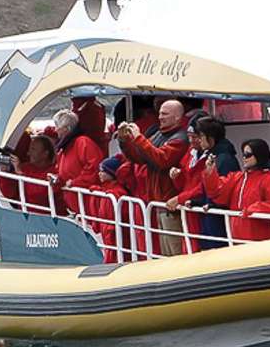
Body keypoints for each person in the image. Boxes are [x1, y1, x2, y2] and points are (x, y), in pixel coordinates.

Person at [116, 98, 191, 255]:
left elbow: (162, 159)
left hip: (170, 203)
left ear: (177, 117)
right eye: (159, 113)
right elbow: (139, 158)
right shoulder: (160, 134)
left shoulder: (180, 138)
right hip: (159, 202)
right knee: (165, 250)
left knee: (174, 249)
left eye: (164, 114)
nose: (160, 117)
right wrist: (125, 141)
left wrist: (138, 137)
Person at [197, 138, 270, 242]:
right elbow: (216, 192)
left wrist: (252, 209)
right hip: (238, 236)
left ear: (259, 155)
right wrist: (210, 172)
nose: (244, 157)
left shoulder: (268, 179)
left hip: (261, 238)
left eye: (248, 154)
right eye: (243, 154)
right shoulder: (238, 177)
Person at [169, 114, 238, 250]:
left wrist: (211, 204)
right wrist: (198, 202)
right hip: (209, 217)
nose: (198, 141)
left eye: (200, 136)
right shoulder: (215, 156)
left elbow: (223, 190)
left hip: (217, 221)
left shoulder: (223, 159)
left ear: (210, 137)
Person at [48, 108, 106, 214]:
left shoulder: (83, 143)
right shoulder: (64, 148)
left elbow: (94, 168)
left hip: (88, 204)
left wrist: (75, 183)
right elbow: (63, 172)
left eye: (57, 126)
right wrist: (57, 179)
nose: (55, 130)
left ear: (66, 128)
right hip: (76, 205)